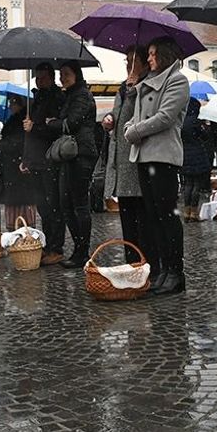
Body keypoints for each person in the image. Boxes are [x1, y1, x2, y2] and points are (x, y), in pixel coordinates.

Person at [125, 36, 190, 295]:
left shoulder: (177, 81)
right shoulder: (146, 83)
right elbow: (136, 117)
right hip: (143, 155)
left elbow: (164, 117)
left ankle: (175, 271)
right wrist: (132, 126)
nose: (149, 58)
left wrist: (135, 131)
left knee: (167, 216)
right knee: (153, 216)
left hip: (162, 156)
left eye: (152, 54)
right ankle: (163, 269)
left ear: (164, 55)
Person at [50, 61, 99, 268]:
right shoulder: (70, 95)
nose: (62, 77)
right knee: (66, 203)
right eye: (61, 74)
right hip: (70, 155)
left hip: (81, 153)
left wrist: (51, 123)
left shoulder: (81, 95)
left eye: (67, 73)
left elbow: (71, 123)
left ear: (76, 74)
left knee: (78, 203)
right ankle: (79, 249)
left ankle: (82, 251)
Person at [104, 47, 150, 263]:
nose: (129, 66)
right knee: (126, 216)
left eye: (134, 61)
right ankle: (130, 259)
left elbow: (140, 116)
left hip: (136, 158)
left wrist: (134, 91)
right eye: (127, 61)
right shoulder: (123, 88)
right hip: (121, 161)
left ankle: (142, 259)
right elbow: (117, 113)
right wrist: (109, 119)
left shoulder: (145, 86)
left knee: (141, 217)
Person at [24, 63, 66, 265]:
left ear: (51, 77)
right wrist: (26, 158)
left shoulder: (57, 98)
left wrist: (36, 127)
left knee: (53, 206)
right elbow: (29, 133)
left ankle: (56, 247)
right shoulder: (36, 99)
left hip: (49, 159)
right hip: (35, 160)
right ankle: (49, 244)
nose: (39, 82)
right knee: (42, 206)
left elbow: (54, 129)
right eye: (37, 78)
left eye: (42, 78)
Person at [0, 94, 38, 228]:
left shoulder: (23, 121)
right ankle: (15, 230)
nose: (10, 106)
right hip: (11, 169)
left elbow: (18, 143)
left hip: (19, 168)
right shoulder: (12, 121)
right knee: (14, 202)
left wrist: (2, 144)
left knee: (23, 202)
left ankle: (25, 231)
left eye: (13, 103)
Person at [179, 98, 211, 221]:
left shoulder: (180, 121)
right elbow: (204, 137)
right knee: (196, 184)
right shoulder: (195, 122)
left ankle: (186, 212)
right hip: (197, 154)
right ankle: (194, 212)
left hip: (185, 154)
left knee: (188, 184)